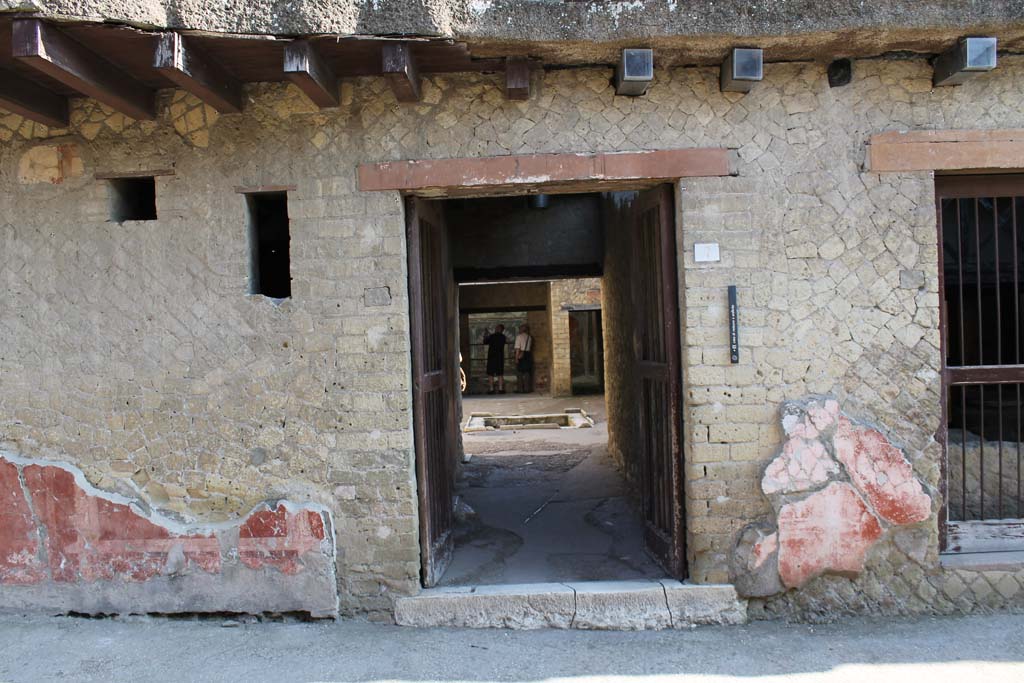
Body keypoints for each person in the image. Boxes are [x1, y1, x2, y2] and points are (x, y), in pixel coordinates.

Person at [483, 325, 507, 394]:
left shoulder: (492, 336)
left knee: (490, 374)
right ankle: (500, 389)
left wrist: (486, 334)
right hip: (500, 357)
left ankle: (491, 389)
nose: (495, 329)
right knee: (500, 373)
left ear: (499, 329)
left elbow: (485, 342)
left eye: (497, 328)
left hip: (491, 357)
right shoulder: (503, 337)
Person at [514, 324, 534, 394]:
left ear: (522, 330)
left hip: (521, 354)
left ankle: (520, 389)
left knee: (519, 372)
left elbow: (517, 348)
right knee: (527, 372)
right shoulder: (529, 337)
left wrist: (516, 358)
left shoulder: (519, 337)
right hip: (528, 355)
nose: (519, 330)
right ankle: (527, 388)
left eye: (520, 328)